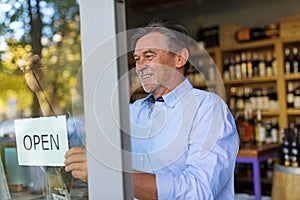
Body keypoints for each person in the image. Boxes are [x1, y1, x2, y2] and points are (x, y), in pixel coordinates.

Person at [22, 19, 240, 199]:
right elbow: (71, 133)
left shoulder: (208, 108)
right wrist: (43, 91)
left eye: (149, 55)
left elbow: (199, 191)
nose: (140, 65)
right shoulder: (132, 112)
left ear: (180, 58)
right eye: (137, 58)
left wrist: (110, 173)